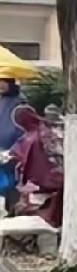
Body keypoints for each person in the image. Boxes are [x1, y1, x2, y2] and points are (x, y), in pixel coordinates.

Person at [11, 105, 64, 228]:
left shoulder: (31, 137)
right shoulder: (49, 132)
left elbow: (17, 153)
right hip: (60, 178)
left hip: (44, 182)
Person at [0, 77, 24, 215]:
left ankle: (12, 214)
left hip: (14, 152)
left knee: (12, 185)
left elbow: (20, 128)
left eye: (2, 80)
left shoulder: (19, 103)